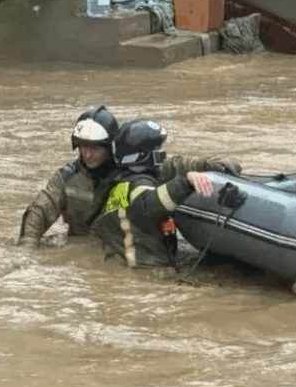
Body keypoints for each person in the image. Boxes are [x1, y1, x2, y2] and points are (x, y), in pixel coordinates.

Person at [18, 105, 242, 247]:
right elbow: (39, 211)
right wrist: (27, 249)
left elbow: (174, 166)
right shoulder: (66, 178)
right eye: (82, 146)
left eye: (95, 147)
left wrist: (210, 164)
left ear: (109, 147)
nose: (87, 153)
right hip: (87, 248)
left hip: (124, 250)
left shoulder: (133, 169)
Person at [92, 119, 216, 268]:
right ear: (148, 155)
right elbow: (149, 205)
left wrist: (205, 165)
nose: (162, 155)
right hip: (146, 273)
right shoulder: (139, 185)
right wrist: (186, 182)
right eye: (159, 150)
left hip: (125, 267)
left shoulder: (120, 185)